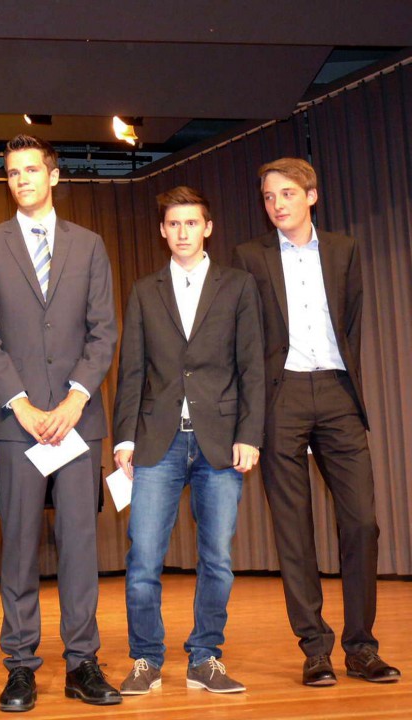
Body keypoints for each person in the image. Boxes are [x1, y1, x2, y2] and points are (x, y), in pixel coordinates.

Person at [233, 158, 401, 687]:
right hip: (280, 396)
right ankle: (315, 648)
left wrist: (342, 379)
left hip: (336, 390)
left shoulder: (344, 249)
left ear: (311, 196)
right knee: (293, 529)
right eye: (268, 196)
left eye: (286, 193)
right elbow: (248, 338)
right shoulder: (249, 256)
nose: (276, 204)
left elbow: (351, 321)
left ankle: (362, 647)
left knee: (362, 522)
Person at [0, 134, 119, 712]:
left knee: (80, 545)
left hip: (79, 421)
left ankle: (83, 662)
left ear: (54, 176)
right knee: (18, 547)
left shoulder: (90, 244)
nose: (22, 180)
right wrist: (22, 404)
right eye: (12, 172)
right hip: (19, 424)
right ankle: (20, 666)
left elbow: (103, 332)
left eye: (31, 170)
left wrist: (76, 400)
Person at [112, 186, 264, 696]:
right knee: (143, 559)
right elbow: (131, 370)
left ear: (208, 228)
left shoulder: (238, 286)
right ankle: (145, 660)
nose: (182, 232)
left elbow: (252, 367)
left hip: (220, 441)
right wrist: (124, 439)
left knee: (217, 558)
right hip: (157, 441)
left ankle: (205, 657)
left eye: (191, 223)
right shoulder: (144, 290)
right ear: (162, 231)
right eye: (173, 224)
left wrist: (250, 434)